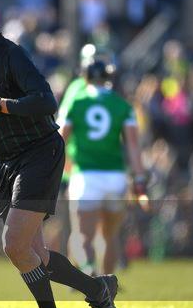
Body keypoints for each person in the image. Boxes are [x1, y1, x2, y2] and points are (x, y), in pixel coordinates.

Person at [0, 0, 118, 308]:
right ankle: (98, 290)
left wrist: (3, 105)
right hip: (7, 162)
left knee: (14, 245)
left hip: (40, 153)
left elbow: (45, 101)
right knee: (36, 254)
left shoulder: (11, 55)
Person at [57, 59, 147, 276]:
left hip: (85, 176)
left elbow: (60, 141)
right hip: (115, 176)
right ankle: (107, 286)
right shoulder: (122, 105)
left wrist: (61, 169)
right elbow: (133, 147)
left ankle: (90, 274)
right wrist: (140, 178)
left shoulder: (76, 103)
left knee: (82, 236)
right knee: (110, 236)